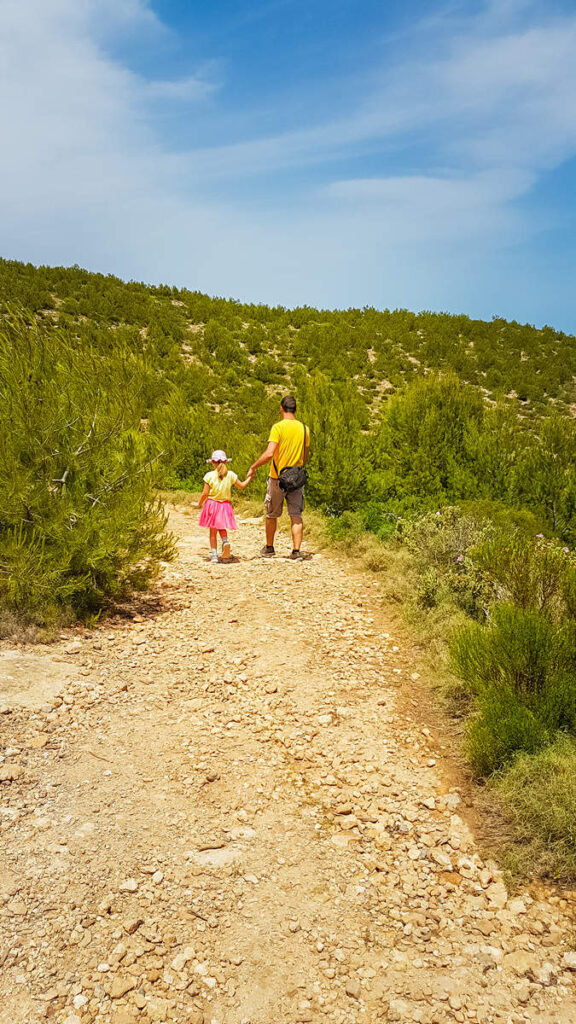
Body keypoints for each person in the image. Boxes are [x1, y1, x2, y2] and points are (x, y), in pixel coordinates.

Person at [247, 395, 310, 560]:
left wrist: (253, 467)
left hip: (277, 478)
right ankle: (296, 552)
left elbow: (269, 454)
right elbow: (306, 454)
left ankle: (269, 548)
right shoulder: (304, 429)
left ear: (281, 408)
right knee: (296, 514)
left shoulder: (277, 427)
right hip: (296, 479)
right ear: (295, 409)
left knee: (271, 514)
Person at [197, 450, 251, 563]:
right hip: (224, 505)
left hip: (212, 504)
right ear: (226, 461)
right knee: (221, 527)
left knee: (212, 532)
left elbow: (205, 493)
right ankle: (225, 542)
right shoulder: (230, 474)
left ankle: (214, 555)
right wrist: (249, 478)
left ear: (212, 462)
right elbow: (241, 486)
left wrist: (199, 503)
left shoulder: (209, 475)